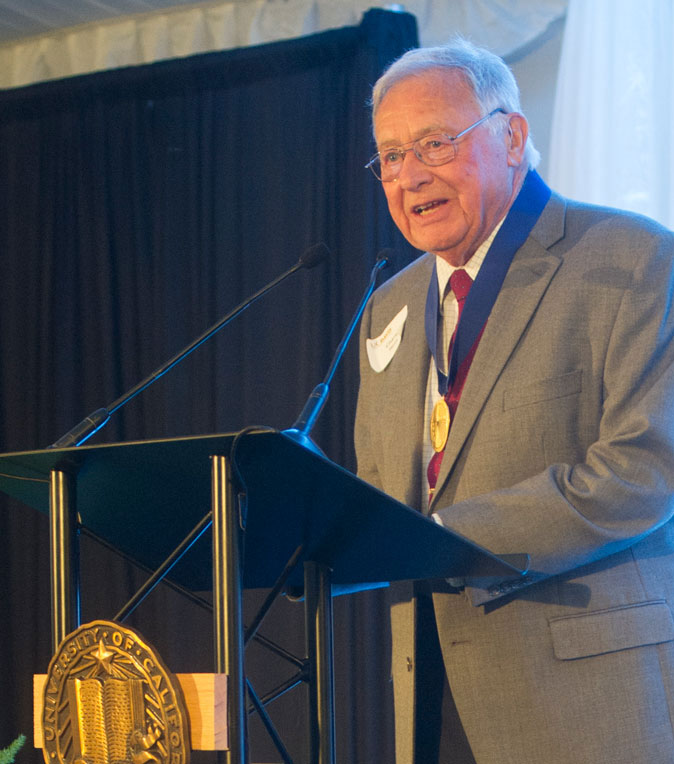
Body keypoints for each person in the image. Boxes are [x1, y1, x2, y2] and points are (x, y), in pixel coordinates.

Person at [355, 38, 674, 764]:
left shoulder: (636, 260)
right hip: (434, 702)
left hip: (593, 698)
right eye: (392, 157)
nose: (410, 176)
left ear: (512, 136)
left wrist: (446, 537)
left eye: (435, 144)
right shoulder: (388, 307)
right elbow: (382, 494)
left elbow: (647, 467)